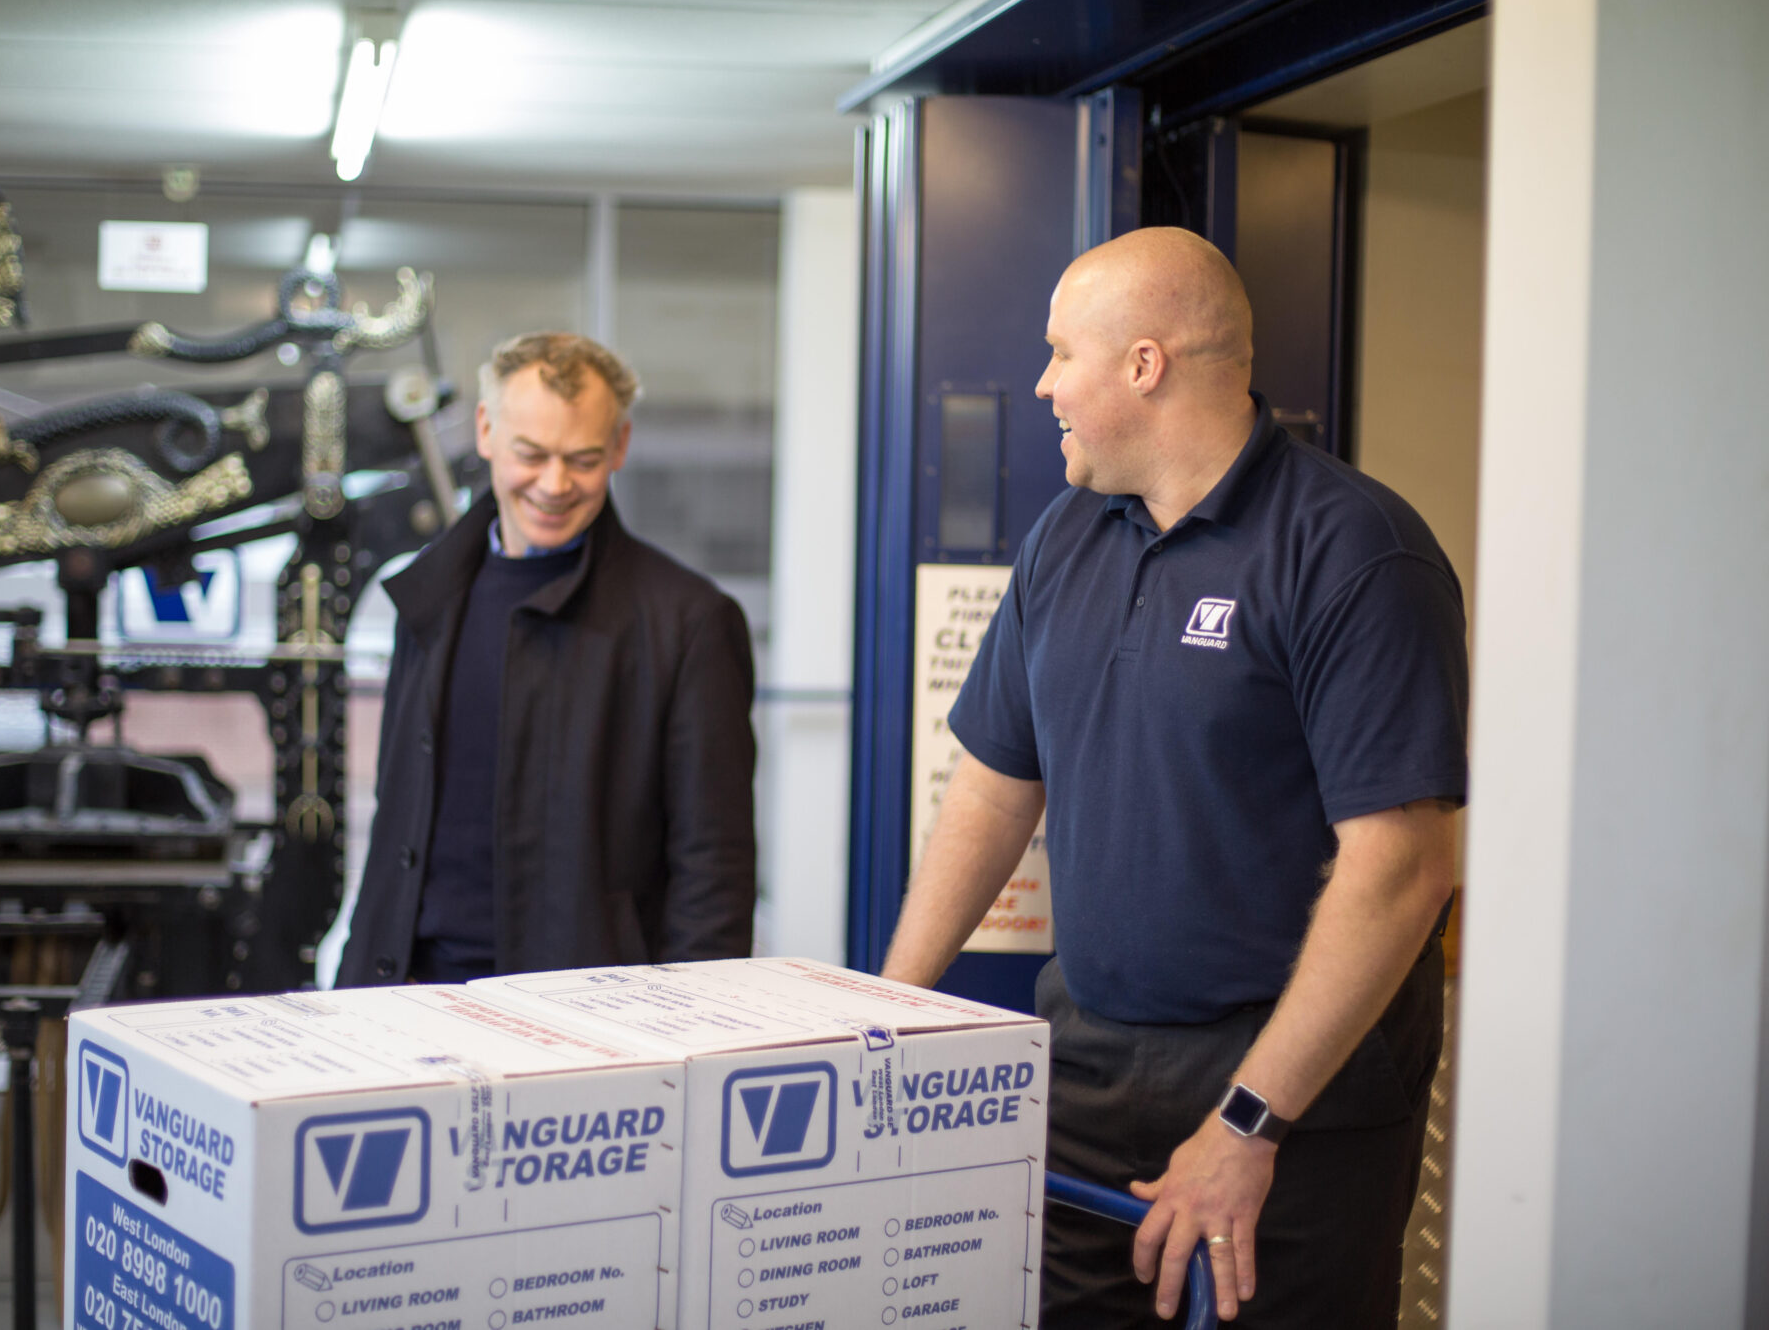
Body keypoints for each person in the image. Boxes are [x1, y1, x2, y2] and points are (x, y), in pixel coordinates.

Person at [881, 228, 1467, 1327]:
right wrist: (890, 1007)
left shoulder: (1352, 551)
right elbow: (996, 784)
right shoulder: (1065, 537)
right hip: (1091, 1062)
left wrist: (1248, 1122)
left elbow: (1401, 866)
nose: (1042, 384)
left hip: (1295, 1094)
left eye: (1061, 353)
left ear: (1143, 364)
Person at [337, 331, 757, 986]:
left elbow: (715, 871)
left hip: (583, 1023)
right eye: (530, 454)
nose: (554, 484)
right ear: (485, 432)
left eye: (582, 459)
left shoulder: (689, 623)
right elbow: (398, 816)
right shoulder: (429, 594)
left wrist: (691, 1038)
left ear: (619, 446)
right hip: (407, 997)